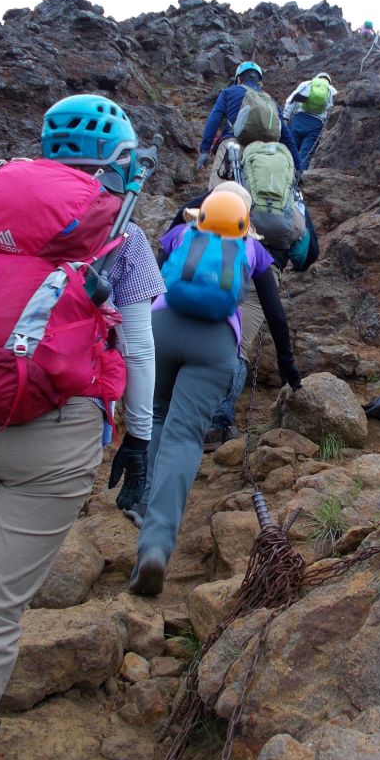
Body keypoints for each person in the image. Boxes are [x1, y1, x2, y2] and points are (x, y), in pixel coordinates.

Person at [0, 95, 164, 760]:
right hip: (51, 432)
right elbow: (136, 344)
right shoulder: (119, 232)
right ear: (116, 157)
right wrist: (140, 434)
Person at [129, 187, 301, 595]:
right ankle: (155, 546)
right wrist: (289, 367)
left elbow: (147, 285)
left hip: (162, 329)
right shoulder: (253, 252)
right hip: (216, 345)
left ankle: (140, 502)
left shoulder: (178, 236)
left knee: (155, 416)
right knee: (184, 436)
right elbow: (274, 313)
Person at [196, 61, 301, 185]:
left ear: (239, 79)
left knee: (219, 193)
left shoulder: (229, 92)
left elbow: (214, 119)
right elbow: (285, 134)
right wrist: (298, 166)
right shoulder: (270, 101)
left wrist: (204, 151)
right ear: (259, 81)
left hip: (232, 146)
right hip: (265, 154)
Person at [283, 72, 338, 171]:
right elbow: (333, 111)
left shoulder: (307, 84)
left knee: (288, 151)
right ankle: (299, 178)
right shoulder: (332, 90)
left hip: (298, 120)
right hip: (316, 125)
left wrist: (286, 117)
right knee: (305, 155)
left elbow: (291, 100)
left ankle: (284, 175)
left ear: (316, 78)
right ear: (328, 81)